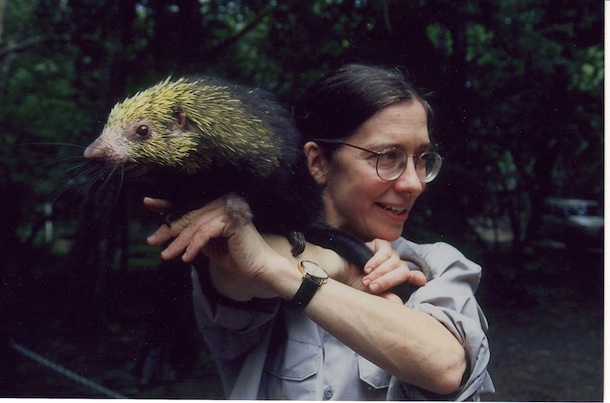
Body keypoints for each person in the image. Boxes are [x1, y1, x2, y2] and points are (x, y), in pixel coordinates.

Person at [144, 64, 494, 400]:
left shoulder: (435, 264)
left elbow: (445, 367)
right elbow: (237, 278)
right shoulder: (246, 246)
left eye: (422, 159)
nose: (414, 183)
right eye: (388, 157)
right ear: (318, 162)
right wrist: (340, 265)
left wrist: (313, 268)